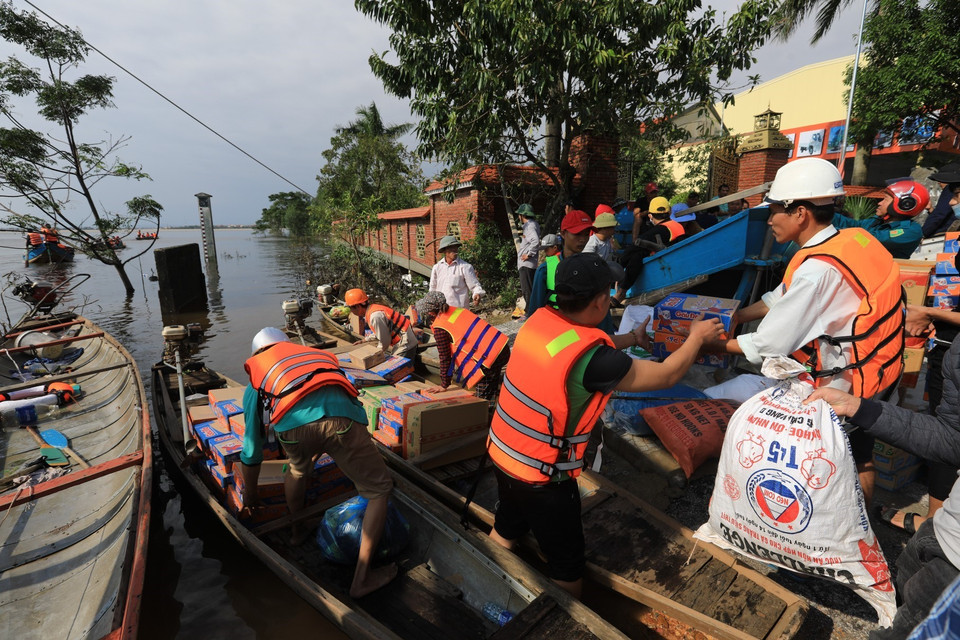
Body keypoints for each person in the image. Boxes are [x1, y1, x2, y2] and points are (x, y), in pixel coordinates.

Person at [486, 253, 725, 598]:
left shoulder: (540, 322)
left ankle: (492, 585)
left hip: (505, 456)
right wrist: (697, 337)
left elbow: (577, 347)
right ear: (600, 301)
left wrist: (631, 339)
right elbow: (668, 374)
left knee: (507, 528)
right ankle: (559, 620)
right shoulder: (595, 359)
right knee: (567, 567)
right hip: (544, 480)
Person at [705, 157, 906, 505]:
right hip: (881, 369)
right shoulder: (850, 241)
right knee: (861, 454)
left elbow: (769, 344)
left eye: (774, 211)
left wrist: (709, 344)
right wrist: (734, 316)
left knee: (834, 464)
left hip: (844, 386)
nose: (769, 220)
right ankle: (861, 526)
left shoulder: (819, 272)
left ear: (800, 213)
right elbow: (781, 297)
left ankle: (832, 534)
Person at [806, 334, 960, 640]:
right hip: (941, 531)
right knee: (903, 588)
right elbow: (953, 437)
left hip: (954, 573)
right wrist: (858, 407)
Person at [237, 327, 396, 597]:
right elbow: (339, 394)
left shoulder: (259, 373)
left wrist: (250, 495)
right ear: (287, 344)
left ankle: (297, 531)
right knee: (378, 490)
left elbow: (252, 448)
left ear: (257, 353)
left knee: (297, 468)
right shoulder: (314, 355)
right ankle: (362, 578)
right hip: (342, 421)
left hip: (292, 429)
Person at [410, 291, 510, 401]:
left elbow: (445, 358)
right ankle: (495, 403)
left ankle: (488, 412)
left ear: (431, 313)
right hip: (502, 347)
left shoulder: (440, 327)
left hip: (490, 359)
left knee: (482, 401)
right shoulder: (458, 310)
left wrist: (444, 384)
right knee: (492, 386)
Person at [611, 196, 688, 307]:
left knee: (636, 254)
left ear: (650, 216)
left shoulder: (657, 231)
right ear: (669, 211)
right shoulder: (678, 226)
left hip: (663, 268)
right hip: (674, 262)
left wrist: (619, 267)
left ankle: (621, 292)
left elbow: (632, 250)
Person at [831, 178, 928, 259]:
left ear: (905, 204)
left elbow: (870, 240)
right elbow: (853, 224)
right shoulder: (878, 221)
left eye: (885, 199)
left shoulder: (911, 231)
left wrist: (837, 232)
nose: (879, 203)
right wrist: (824, 214)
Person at [526, 210, 593, 316]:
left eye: (586, 234)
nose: (583, 239)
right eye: (577, 234)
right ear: (563, 233)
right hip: (555, 327)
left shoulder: (592, 268)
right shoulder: (545, 270)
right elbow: (534, 312)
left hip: (583, 329)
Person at [345, 288, 418, 360]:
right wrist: (364, 340)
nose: (351, 311)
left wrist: (374, 355)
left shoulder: (375, 317)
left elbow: (385, 341)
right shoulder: (373, 309)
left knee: (396, 368)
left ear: (357, 306)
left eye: (351, 308)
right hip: (405, 340)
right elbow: (381, 332)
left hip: (405, 344)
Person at [429, 235, 485, 308]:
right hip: (441, 310)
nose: (455, 250)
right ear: (444, 250)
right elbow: (433, 288)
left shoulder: (465, 267)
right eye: (451, 248)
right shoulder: (437, 267)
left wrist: (477, 294)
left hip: (459, 311)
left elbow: (474, 286)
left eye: (456, 247)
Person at [922, 163, 960, 238]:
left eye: (941, 180)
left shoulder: (950, 189)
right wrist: (931, 209)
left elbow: (939, 215)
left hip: (942, 235)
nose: (951, 202)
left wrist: (922, 234)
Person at [515, 204, 540, 309]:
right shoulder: (534, 224)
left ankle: (529, 313)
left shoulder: (529, 226)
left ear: (522, 215)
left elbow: (535, 241)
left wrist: (528, 255)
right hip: (530, 264)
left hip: (526, 264)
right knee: (530, 289)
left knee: (527, 290)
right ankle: (531, 311)